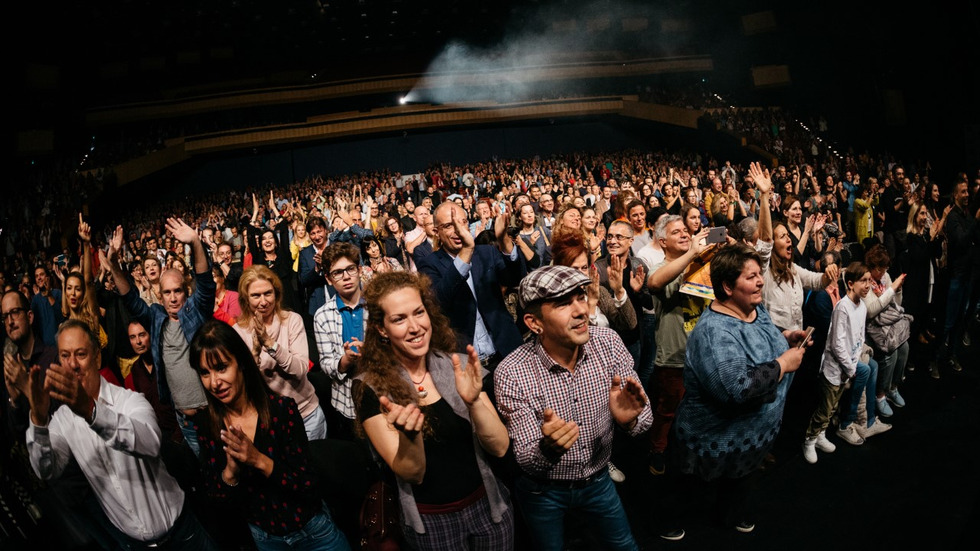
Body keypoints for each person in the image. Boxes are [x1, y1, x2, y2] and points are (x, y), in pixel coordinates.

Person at [494, 265, 652, 551]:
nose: (580, 310)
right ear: (534, 323)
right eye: (563, 303)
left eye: (579, 296)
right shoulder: (511, 372)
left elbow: (645, 420)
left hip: (598, 480)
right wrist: (548, 448)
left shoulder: (608, 343)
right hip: (542, 490)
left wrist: (629, 421)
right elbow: (526, 459)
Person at [352, 271, 514, 550]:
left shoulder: (458, 366)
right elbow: (412, 473)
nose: (415, 327)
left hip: (488, 507)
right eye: (399, 319)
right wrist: (411, 435)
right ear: (381, 329)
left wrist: (474, 402)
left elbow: (500, 448)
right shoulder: (372, 389)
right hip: (432, 523)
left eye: (419, 312)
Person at [26, 320, 216, 550]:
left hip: (182, 535)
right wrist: (38, 419)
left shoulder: (129, 401)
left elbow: (150, 443)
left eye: (80, 354)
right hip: (131, 543)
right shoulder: (62, 421)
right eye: (65, 356)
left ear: (97, 357)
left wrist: (91, 412)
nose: (72, 364)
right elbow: (46, 469)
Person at [665, 244, 811, 538]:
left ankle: (728, 515)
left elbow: (763, 334)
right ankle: (667, 522)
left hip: (749, 438)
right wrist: (783, 363)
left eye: (760, 274)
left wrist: (785, 336)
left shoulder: (755, 308)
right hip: (710, 439)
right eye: (751, 277)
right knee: (687, 492)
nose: (760, 281)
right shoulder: (714, 332)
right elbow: (737, 388)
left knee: (737, 485)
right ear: (727, 287)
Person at [190, 319, 350, 551]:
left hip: (312, 531)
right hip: (266, 539)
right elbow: (218, 502)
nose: (215, 382)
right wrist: (231, 473)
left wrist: (258, 459)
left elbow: (307, 484)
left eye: (222, 367)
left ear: (241, 364)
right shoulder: (208, 425)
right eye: (205, 373)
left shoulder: (281, 410)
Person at [108, 219, 216, 457]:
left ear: (185, 291)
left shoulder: (196, 313)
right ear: (160, 294)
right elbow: (131, 299)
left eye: (178, 291)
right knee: (203, 475)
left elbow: (206, 284)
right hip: (184, 422)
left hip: (212, 414)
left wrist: (196, 242)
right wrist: (114, 264)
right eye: (167, 292)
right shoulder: (156, 319)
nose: (173, 297)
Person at [416, 202, 524, 380]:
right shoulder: (429, 264)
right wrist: (466, 251)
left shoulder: (487, 252)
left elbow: (515, 279)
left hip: (506, 354)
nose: (459, 229)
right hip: (468, 367)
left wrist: (504, 239)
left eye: (463, 222)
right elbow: (438, 302)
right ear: (437, 232)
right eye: (450, 225)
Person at [803, 263, 891, 464]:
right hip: (835, 369)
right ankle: (809, 440)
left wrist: (855, 359)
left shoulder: (860, 305)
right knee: (825, 408)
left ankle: (820, 435)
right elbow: (836, 344)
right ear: (850, 284)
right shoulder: (842, 308)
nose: (868, 285)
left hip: (847, 367)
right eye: (863, 281)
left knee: (833, 407)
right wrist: (851, 368)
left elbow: (859, 336)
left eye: (869, 280)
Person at [234, 265, 327, 441]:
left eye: (268, 293)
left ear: (276, 293)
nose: (263, 301)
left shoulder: (291, 320)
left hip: (306, 414)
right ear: (246, 298)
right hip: (271, 420)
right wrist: (254, 351)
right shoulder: (238, 331)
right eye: (255, 295)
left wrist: (269, 343)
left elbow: (301, 370)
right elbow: (243, 385)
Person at [313, 243, 369, 440]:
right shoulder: (322, 316)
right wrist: (345, 360)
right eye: (337, 273)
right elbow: (327, 363)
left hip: (383, 395)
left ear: (359, 270)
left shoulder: (377, 304)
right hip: (346, 404)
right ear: (328, 279)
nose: (346, 277)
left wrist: (370, 351)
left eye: (350, 269)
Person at [863, 245, 909, 416]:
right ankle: (880, 395)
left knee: (904, 348)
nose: (884, 272)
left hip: (887, 325)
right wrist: (890, 290)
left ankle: (892, 387)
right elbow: (871, 310)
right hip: (872, 328)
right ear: (874, 268)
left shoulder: (886, 277)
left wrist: (897, 290)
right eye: (881, 269)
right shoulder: (866, 280)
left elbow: (896, 305)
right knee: (891, 353)